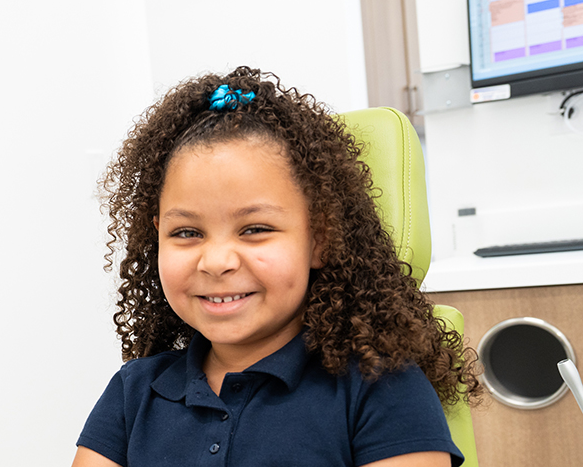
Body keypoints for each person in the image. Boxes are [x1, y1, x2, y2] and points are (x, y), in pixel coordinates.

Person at [72, 67, 481, 467]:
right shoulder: (133, 394)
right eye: (186, 233)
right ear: (157, 235)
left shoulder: (381, 387)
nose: (216, 262)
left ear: (319, 238)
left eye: (254, 229)